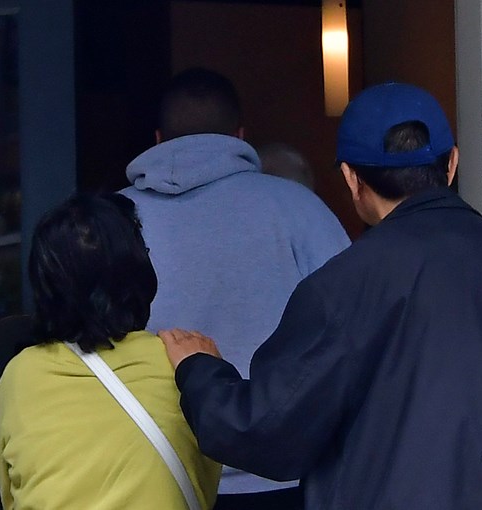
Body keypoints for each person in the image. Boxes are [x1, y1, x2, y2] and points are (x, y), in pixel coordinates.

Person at [159, 82, 482, 509]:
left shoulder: (342, 286)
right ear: (452, 164)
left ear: (351, 178)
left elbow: (266, 431)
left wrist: (200, 370)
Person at [121, 67, 349, 509]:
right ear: (240, 136)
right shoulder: (299, 208)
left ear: (157, 139)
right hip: (281, 474)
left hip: (148, 470)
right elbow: (354, 330)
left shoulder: (110, 220)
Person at [0, 193, 220, 509]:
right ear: (139, 272)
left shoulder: (19, 375)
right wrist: (209, 373)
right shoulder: (183, 363)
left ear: (43, 282)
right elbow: (207, 473)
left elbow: (9, 492)